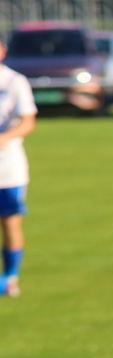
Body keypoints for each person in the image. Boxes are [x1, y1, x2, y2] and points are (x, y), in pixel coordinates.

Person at [0, 36, 37, 297]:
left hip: (7, 168)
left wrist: (4, 137)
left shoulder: (14, 81)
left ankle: (10, 277)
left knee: (10, 222)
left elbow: (27, 122)